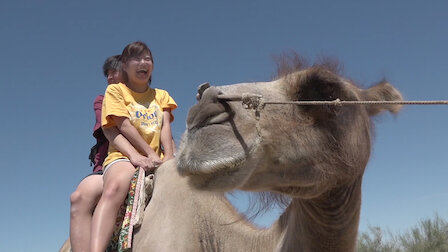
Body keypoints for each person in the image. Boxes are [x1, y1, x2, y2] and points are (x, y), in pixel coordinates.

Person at [90, 41, 177, 252]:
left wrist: (169, 157)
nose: (143, 62)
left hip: (158, 157)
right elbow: (122, 125)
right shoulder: (116, 92)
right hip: (123, 155)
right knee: (114, 188)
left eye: (147, 58)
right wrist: (142, 155)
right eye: (136, 59)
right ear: (125, 66)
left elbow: (165, 128)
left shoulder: (162, 95)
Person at [69, 55, 124, 252]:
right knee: (79, 197)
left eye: (114, 71)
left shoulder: (148, 101)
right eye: (107, 74)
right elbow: (113, 128)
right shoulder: (102, 100)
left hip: (147, 159)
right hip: (109, 165)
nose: (109, 77)